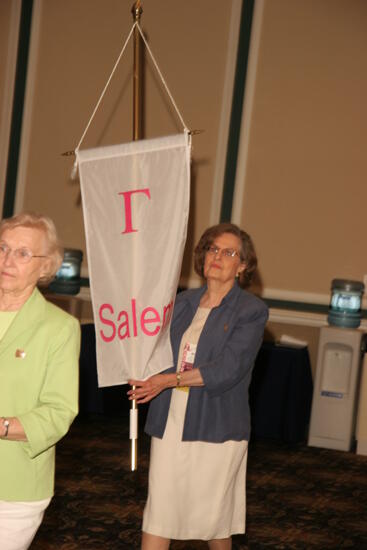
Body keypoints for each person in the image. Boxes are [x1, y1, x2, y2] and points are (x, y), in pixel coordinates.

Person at [128, 222, 269, 550]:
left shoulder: (251, 311)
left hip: (216, 427)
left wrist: (167, 380)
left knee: (214, 522)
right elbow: (157, 352)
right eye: (212, 249)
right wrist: (140, 368)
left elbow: (228, 368)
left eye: (229, 252)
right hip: (170, 422)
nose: (217, 256)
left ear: (243, 266)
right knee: (158, 512)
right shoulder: (180, 303)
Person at [0, 212, 80, 550]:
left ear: (45, 266)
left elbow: (59, 411)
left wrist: (3, 426)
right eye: (3, 248)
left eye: (22, 253)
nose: (7, 260)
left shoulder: (58, 328)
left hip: (14, 486)